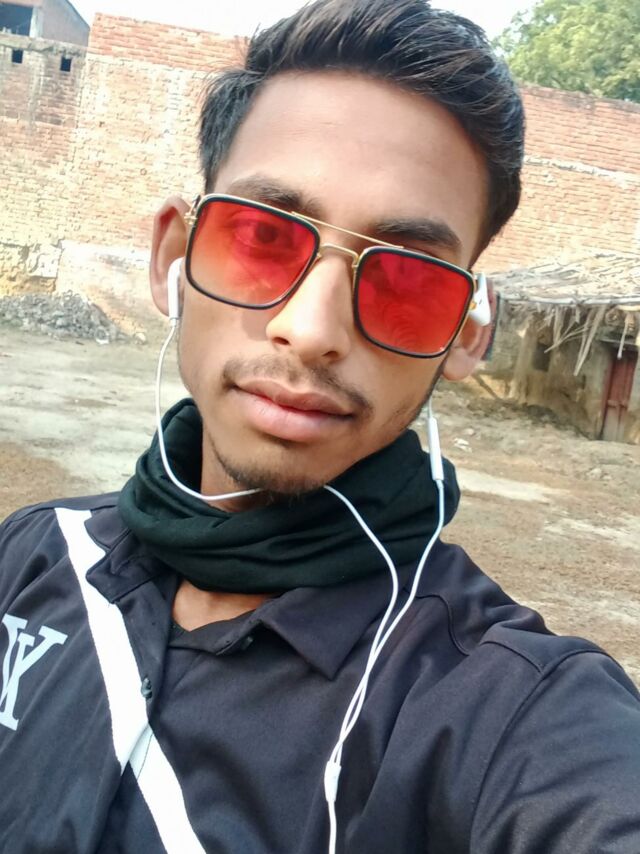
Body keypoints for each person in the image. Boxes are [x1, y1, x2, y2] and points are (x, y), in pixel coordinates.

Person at [1, 0, 639, 851]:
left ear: (465, 334)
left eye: (407, 278)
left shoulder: (510, 712)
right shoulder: (32, 558)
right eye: (263, 238)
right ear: (172, 259)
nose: (311, 330)